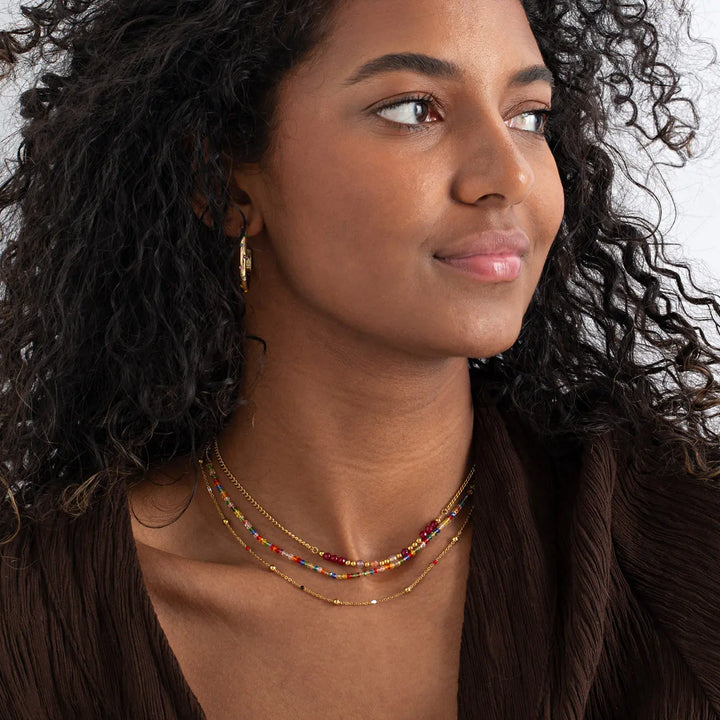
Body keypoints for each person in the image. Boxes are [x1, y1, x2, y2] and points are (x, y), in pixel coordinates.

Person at [0, 0, 719, 717]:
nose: (510, 174)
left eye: (528, 117)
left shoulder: (681, 552)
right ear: (223, 180)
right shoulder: (33, 631)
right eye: (413, 109)